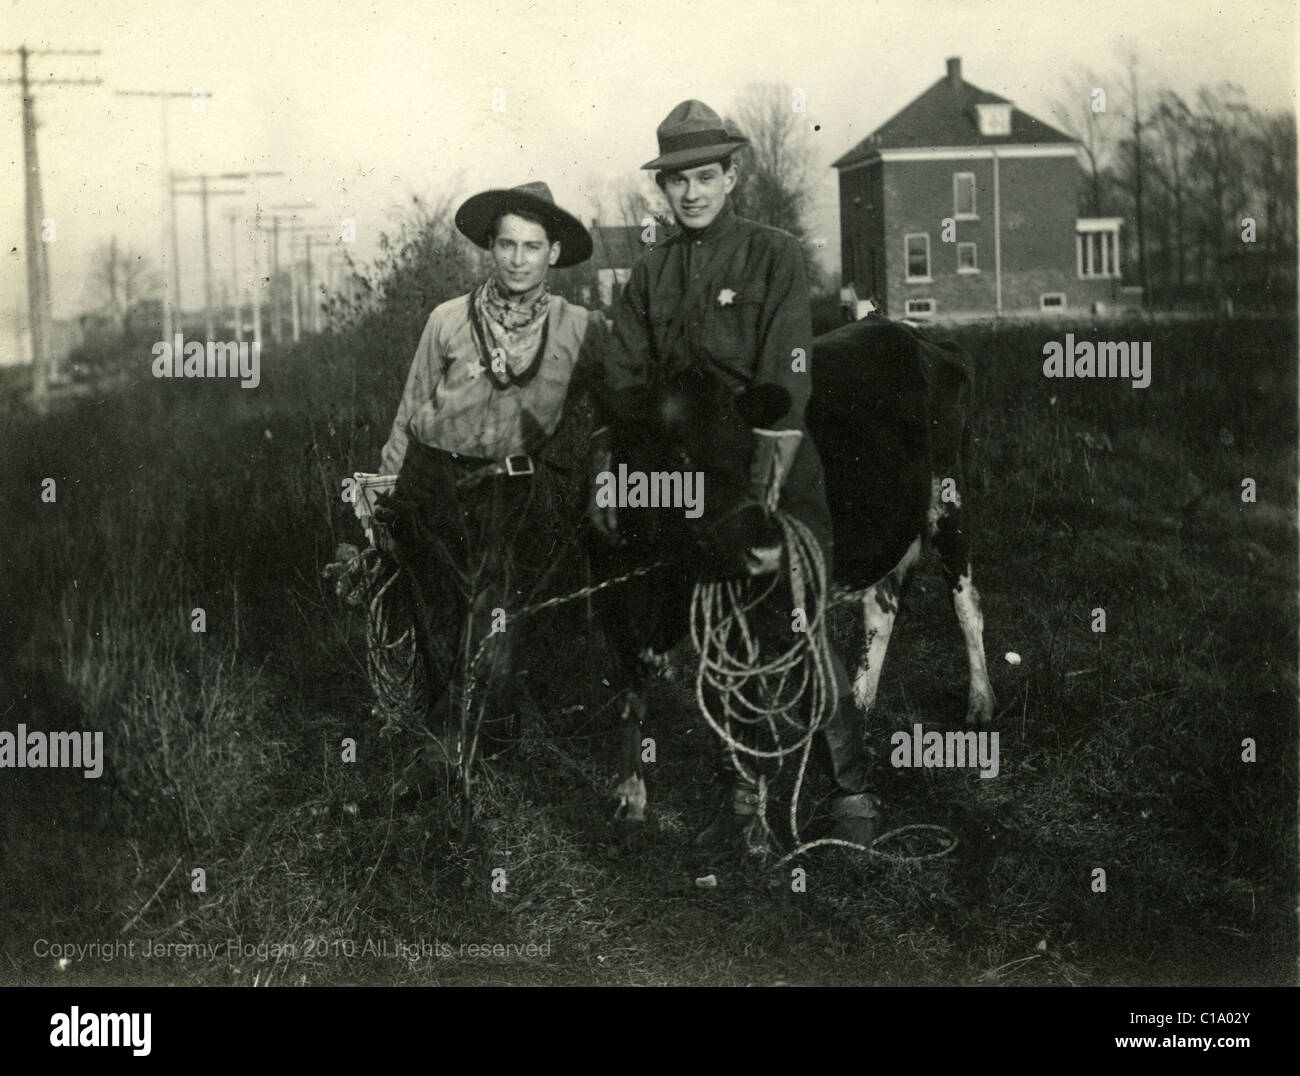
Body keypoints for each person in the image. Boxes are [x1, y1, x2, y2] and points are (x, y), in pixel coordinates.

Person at [590, 100, 882, 849]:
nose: (690, 193)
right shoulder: (650, 273)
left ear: (731, 175)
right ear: (663, 187)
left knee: (797, 623)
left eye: (704, 177)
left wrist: (765, 480)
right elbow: (622, 381)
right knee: (716, 634)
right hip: (694, 484)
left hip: (771, 467)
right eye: (677, 180)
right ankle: (743, 795)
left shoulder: (773, 255)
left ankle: (849, 790)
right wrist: (614, 466)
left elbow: (788, 367)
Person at [375, 181, 605, 795]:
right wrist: (386, 491)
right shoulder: (447, 320)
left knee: (492, 616)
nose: (518, 259)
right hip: (431, 483)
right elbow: (411, 409)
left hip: (510, 492)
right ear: (490, 247)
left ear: (554, 253)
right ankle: (477, 743)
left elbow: (623, 394)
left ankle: (442, 760)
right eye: (507, 244)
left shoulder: (579, 330)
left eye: (532, 246)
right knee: (437, 619)